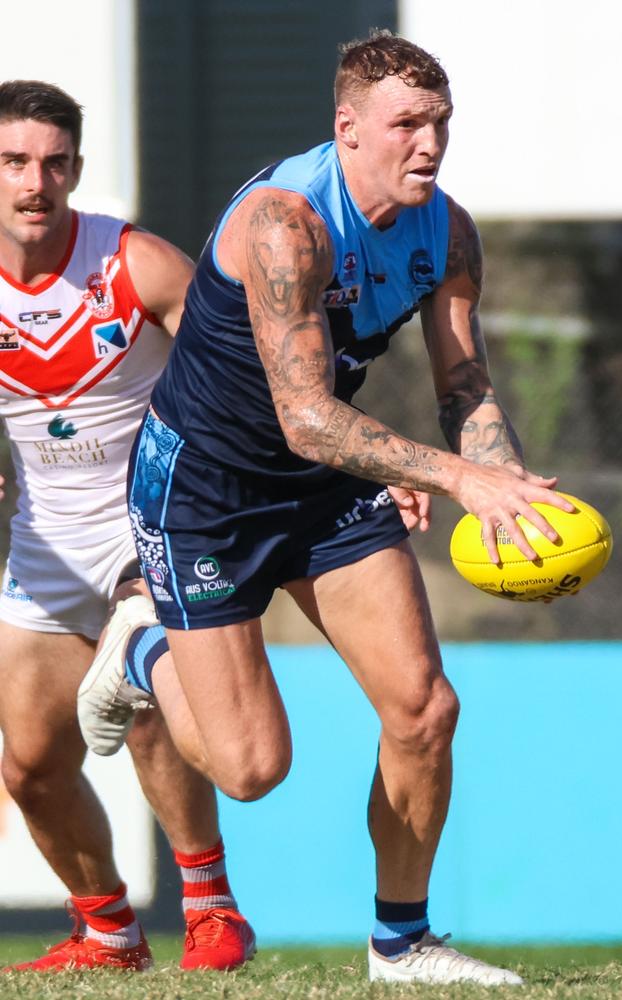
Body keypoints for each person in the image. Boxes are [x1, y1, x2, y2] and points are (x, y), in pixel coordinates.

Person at [79, 32, 573, 985]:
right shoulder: (286, 223)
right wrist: (452, 480)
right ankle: (142, 642)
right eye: (405, 125)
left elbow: (464, 388)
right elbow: (305, 417)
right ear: (348, 130)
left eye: (440, 123)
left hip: (318, 487)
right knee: (253, 770)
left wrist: (506, 492)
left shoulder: (447, 229)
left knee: (426, 709)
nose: (428, 143)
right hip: (205, 493)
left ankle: (402, 944)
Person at [0, 80, 255, 972]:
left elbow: (238, 385)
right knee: (28, 768)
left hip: (149, 530)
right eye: (15, 162)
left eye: (54, 162)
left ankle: (211, 909)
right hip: (41, 546)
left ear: (76, 167)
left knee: (143, 704)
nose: (36, 182)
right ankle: (107, 931)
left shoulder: (135, 263)